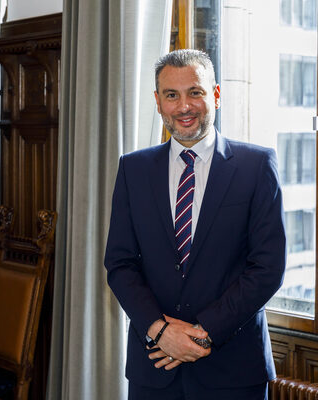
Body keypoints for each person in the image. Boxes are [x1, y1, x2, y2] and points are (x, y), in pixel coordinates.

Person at [104, 49, 286, 400]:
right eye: (172, 95)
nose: (184, 106)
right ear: (158, 102)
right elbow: (120, 264)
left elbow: (267, 268)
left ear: (215, 95)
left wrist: (204, 333)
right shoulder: (133, 169)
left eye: (195, 92)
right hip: (155, 366)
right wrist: (160, 332)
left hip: (233, 369)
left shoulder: (257, 166)